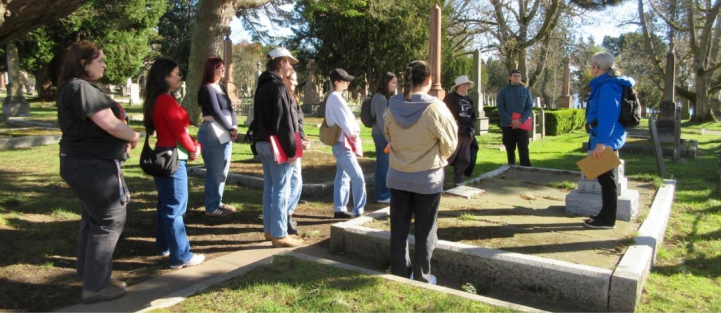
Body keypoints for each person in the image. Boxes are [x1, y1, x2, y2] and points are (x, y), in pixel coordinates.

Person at [57, 41, 140, 304]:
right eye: (100, 60)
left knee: (93, 219)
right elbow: (110, 124)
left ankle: (90, 275)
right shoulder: (81, 87)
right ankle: (95, 288)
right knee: (110, 219)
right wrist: (133, 135)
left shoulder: (72, 87)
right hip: (92, 165)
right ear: (84, 63)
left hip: (81, 163)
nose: (104, 64)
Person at [384, 61, 458, 284]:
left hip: (397, 176)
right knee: (425, 230)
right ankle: (422, 276)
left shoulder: (392, 106)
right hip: (427, 178)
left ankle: (399, 272)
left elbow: (388, 135)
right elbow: (450, 143)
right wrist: (437, 157)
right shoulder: (436, 108)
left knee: (399, 229)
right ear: (428, 80)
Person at [143, 58, 205, 269]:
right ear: (165, 77)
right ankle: (181, 255)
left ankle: (164, 246)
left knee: (165, 204)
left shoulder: (158, 99)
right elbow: (179, 131)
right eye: (176, 73)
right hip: (172, 157)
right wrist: (193, 148)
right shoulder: (165, 101)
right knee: (175, 206)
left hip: (164, 155)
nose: (179, 77)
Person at [251, 47, 303, 248]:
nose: (291, 66)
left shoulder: (263, 86)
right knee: (281, 189)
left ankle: (269, 230)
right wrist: (291, 150)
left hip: (263, 143)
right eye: (289, 62)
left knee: (270, 188)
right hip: (276, 146)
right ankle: (280, 234)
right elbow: (284, 123)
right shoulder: (278, 87)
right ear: (281, 63)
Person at [584, 52, 632, 229]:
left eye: (592, 65)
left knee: (606, 179)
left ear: (597, 67)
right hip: (602, 136)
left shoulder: (608, 86)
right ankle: (604, 214)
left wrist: (602, 142)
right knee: (604, 178)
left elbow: (608, 116)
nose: (591, 68)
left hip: (606, 138)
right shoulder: (605, 84)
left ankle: (607, 219)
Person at [197, 57, 238, 217]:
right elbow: (216, 111)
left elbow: (229, 109)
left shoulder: (221, 87)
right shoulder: (207, 89)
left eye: (223, 66)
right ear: (211, 70)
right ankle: (211, 207)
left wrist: (233, 127)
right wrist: (230, 128)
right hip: (213, 132)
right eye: (219, 67)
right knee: (214, 171)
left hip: (225, 132)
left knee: (223, 171)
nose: (223, 69)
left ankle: (217, 202)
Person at [325, 68, 366, 219]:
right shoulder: (335, 97)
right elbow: (344, 120)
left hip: (341, 142)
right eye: (345, 80)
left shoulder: (335, 97)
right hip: (343, 143)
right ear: (336, 82)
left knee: (343, 176)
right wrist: (353, 134)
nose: (348, 82)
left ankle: (340, 208)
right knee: (358, 177)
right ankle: (359, 210)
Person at [284, 69, 310, 235]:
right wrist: (297, 141)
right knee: (292, 183)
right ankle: (285, 217)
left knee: (296, 182)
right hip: (289, 143)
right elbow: (288, 124)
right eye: (292, 80)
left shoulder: (293, 97)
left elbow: (298, 122)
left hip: (296, 142)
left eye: (295, 80)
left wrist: (303, 138)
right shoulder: (284, 97)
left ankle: (287, 214)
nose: (294, 83)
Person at [444, 75, 477, 185]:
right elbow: (444, 112)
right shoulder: (451, 98)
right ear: (457, 86)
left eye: (467, 84)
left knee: (465, 159)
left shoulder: (468, 100)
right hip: (454, 133)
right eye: (463, 84)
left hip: (466, 134)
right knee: (449, 157)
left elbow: (472, 116)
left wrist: (471, 128)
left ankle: (458, 180)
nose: (465, 86)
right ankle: (439, 180)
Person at [370, 72, 397, 204]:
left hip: (384, 136)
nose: (395, 85)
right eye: (393, 82)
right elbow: (382, 122)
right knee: (383, 165)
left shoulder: (387, 97)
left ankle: (385, 192)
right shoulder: (380, 98)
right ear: (386, 83)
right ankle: (381, 195)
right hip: (382, 136)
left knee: (385, 164)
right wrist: (389, 141)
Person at [497, 69, 533, 166]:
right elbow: (500, 108)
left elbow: (529, 107)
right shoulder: (503, 92)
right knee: (510, 148)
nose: (517, 77)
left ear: (520, 78)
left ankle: (526, 169)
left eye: (518, 76)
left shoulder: (526, 91)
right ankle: (511, 168)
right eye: (514, 76)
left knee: (523, 148)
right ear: (510, 78)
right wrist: (512, 121)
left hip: (522, 125)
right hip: (508, 125)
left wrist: (521, 121)